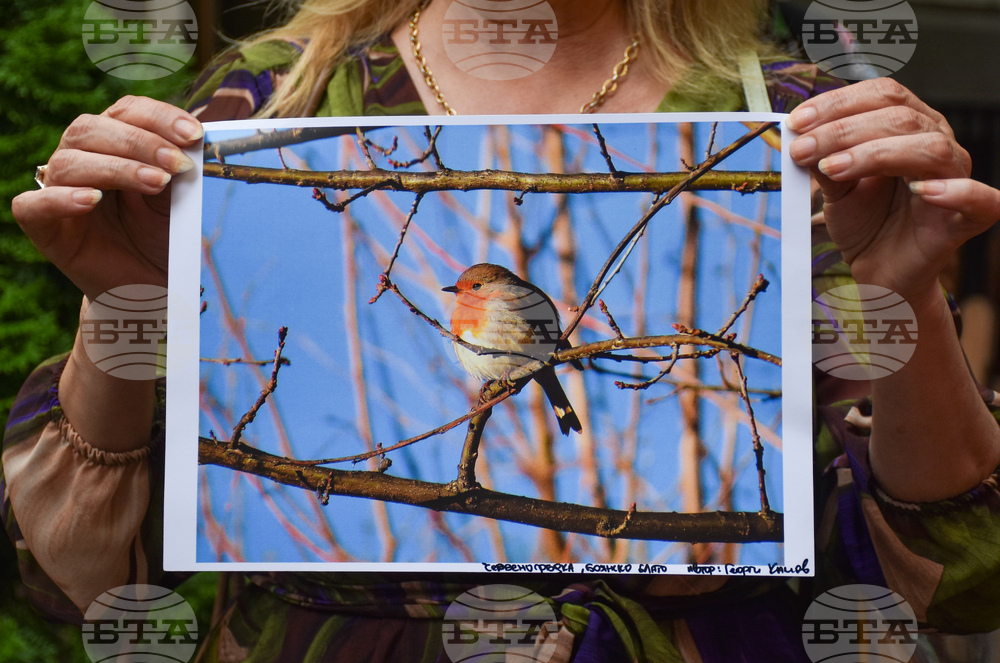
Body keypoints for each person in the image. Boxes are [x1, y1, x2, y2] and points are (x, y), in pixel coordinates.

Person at [6, 0, 1000, 659]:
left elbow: (955, 579)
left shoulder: (791, 129)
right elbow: (72, 578)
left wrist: (901, 296)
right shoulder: (260, 112)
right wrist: (122, 300)